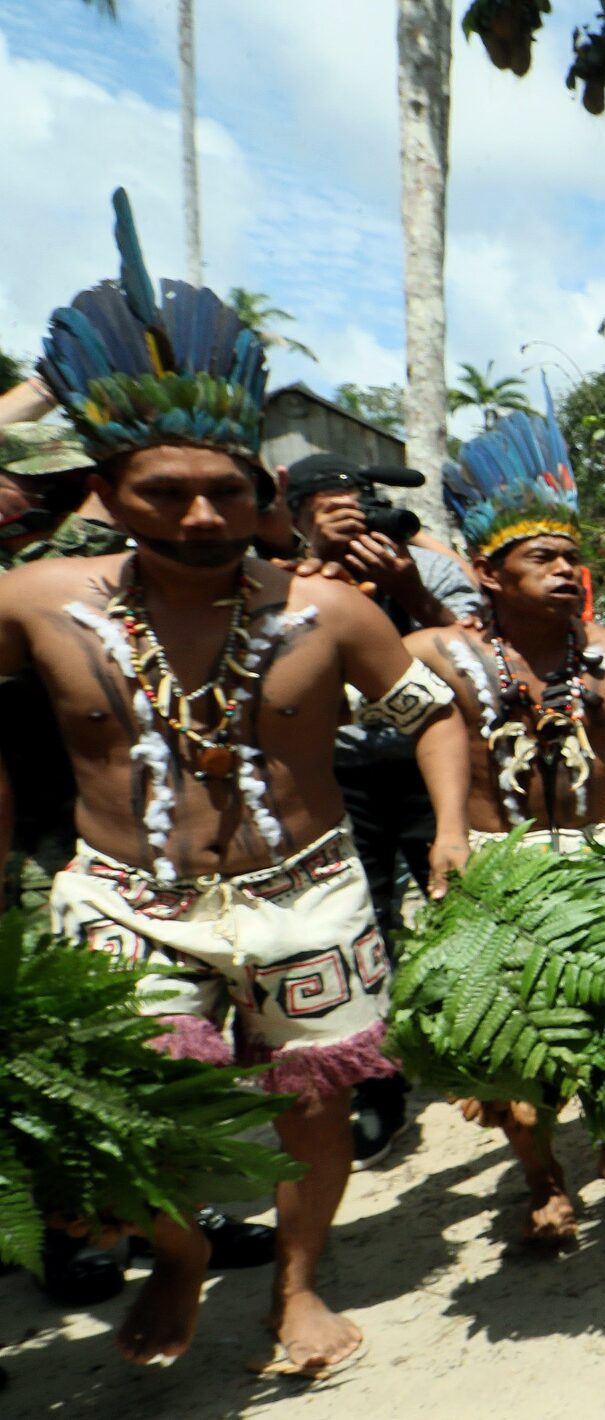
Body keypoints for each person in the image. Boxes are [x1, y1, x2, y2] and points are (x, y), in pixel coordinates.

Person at [0, 190, 471, 1376]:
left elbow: (431, 712)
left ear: (262, 490)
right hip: (122, 895)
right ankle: (179, 1249)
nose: (203, 515)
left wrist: (455, 823)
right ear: (106, 490)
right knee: (116, 1107)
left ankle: (300, 1285)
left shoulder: (329, 613)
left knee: (313, 1105)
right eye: (166, 492)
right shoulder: (32, 607)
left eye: (227, 489)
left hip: (306, 889)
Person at [1, 421, 283, 1307]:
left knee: (155, 1065)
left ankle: (184, 1223)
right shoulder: (40, 589)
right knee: (83, 1062)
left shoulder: (231, 572)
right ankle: (76, 1237)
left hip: (131, 841)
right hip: (62, 841)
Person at [405, 393, 605, 1244]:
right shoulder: (437, 657)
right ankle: (542, 1175)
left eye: (573, 557)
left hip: (603, 855)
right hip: (496, 863)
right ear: (490, 572)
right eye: (543, 558)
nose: (567, 570)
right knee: (509, 1039)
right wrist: (450, 833)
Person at [286, 451, 486, 1167]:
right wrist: (316, 564)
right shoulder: (281, 581)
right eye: (331, 507)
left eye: (359, 503)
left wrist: (407, 590)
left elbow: (476, 653)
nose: (355, 520)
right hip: (336, 774)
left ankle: (481, 1046)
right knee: (356, 924)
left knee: (460, 904)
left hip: (430, 763)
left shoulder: (425, 568)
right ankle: (378, 1083)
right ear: (298, 513)